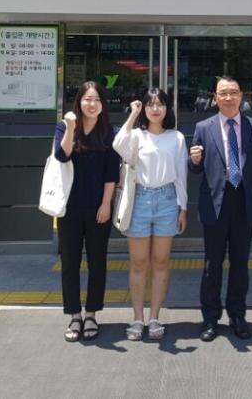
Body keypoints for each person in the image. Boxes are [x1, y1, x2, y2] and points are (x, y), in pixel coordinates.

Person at [189, 76, 252, 342]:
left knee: (240, 264)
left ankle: (237, 315)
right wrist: (194, 161)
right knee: (212, 264)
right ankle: (210, 318)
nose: (228, 97)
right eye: (223, 93)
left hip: (244, 203)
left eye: (233, 92)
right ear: (215, 97)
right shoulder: (203, 127)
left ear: (241, 95)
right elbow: (195, 169)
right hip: (215, 204)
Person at [112, 88, 188, 341]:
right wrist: (132, 114)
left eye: (160, 104)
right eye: (150, 104)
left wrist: (183, 207)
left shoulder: (176, 137)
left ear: (167, 108)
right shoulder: (136, 135)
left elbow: (181, 175)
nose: (155, 109)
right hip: (140, 200)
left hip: (167, 200)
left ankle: (154, 317)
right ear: (144, 108)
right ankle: (137, 318)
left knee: (161, 262)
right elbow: (117, 145)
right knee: (138, 262)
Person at [53, 81, 120, 342]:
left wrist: (106, 204)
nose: (92, 104)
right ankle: (74, 315)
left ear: (103, 105)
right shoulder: (64, 127)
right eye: (87, 99)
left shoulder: (108, 132)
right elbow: (62, 156)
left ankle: (91, 314)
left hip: (97, 208)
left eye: (97, 100)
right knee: (69, 262)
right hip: (69, 208)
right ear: (79, 102)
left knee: (97, 262)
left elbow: (111, 173)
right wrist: (71, 127)